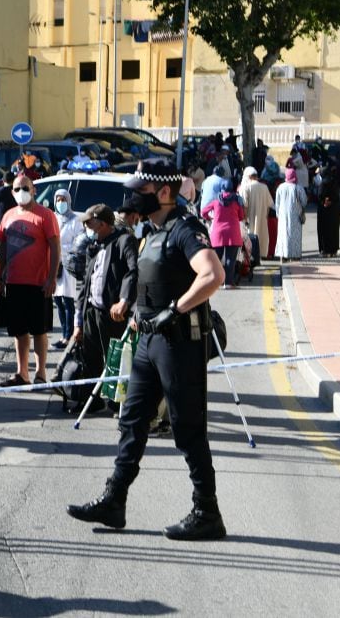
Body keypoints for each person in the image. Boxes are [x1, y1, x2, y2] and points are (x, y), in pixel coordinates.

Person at [67, 158, 227, 541]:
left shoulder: (185, 229)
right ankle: (114, 501)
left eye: (141, 191)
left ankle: (207, 512)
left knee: (188, 430)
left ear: (165, 192)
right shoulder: (150, 232)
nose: (132, 198)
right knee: (132, 420)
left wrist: (174, 310)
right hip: (149, 341)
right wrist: (141, 311)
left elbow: (213, 275)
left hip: (179, 343)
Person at [0, 174, 60, 386]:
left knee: (39, 330)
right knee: (19, 331)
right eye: (16, 188)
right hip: (14, 282)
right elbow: (2, 248)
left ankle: (40, 374)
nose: (21, 191)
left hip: (39, 283)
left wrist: (51, 278)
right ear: (11, 192)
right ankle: (22, 374)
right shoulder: (8, 215)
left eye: (25, 187)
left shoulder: (45, 215)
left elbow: (55, 247)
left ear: (33, 190)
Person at [70, 204, 138, 386]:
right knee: (90, 357)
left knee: (115, 359)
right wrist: (78, 322)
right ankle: (92, 400)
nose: (87, 228)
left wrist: (124, 301)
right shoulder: (93, 246)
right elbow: (85, 284)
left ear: (101, 224)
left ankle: (117, 404)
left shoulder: (124, 241)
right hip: (92, 312)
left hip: (113, 314)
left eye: (89, 223)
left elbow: (134, 271)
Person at [200, 188, 246, 289]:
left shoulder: (216, 202)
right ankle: (228, 283)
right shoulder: (236, 202)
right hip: (233, 233)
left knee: (216, 259)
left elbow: (203, 212)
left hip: (218, 233)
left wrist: (209, 218)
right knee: (230, 259)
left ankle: (212, 282)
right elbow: (241, 216)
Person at [52, 188, 80, 347]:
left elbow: (79, 241)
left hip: (68, 265)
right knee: (57, 301)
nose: (60, 202)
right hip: (55, 264)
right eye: (58, 199)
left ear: (69, 201)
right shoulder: (53, 218)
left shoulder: (75, 220)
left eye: (63, 199)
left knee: (68, 301)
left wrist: (63, 248)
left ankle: (69, 336)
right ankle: (63, 334)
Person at [238, 167, 273, 260]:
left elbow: (244, 205)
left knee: (251, 236)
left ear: (249, 176)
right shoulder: (264, 187)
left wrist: (245, 219)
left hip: (250, 218)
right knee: (262, 235)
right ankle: (261, 254)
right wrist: (265, 215)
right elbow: (269, 204)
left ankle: (252, 256)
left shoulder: (246, 187)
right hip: (262, 217)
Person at [274, 167, 307, 262]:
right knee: (294, 235)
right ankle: (295, 255)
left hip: (282, 216)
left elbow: (277, 203)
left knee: (283, 235)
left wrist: (278, 214)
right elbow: (304, 201)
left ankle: (283, 255)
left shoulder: (280, 187)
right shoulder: (298, 187)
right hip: (295, 216)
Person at [315, 163, 340, 258]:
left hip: (324, 211)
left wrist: (325, 202)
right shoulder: (334, 182)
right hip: (334, 210)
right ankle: (333, 250)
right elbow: (335, 196)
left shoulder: (323, 184)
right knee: (334, 230)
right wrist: (330, 201)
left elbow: (320, 196)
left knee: (324, 230)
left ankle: (325, 251)